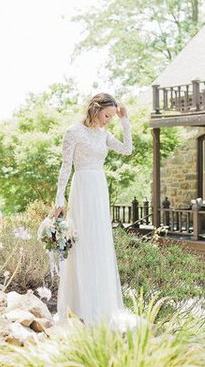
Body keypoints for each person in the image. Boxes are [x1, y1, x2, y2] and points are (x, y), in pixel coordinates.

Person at [52, 92, 147, 331]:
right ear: (95, 109)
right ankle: (80, 304)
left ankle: (99, 303)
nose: (108, 120)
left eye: (112, 117)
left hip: (99, 188)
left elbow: (127, 149)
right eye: (107, 115)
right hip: (82, 187)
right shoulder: (73, 132)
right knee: (82, 242)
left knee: (99, 242)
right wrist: (59, 197)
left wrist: (125, 121)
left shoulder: (104, 135)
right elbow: (65, 166)